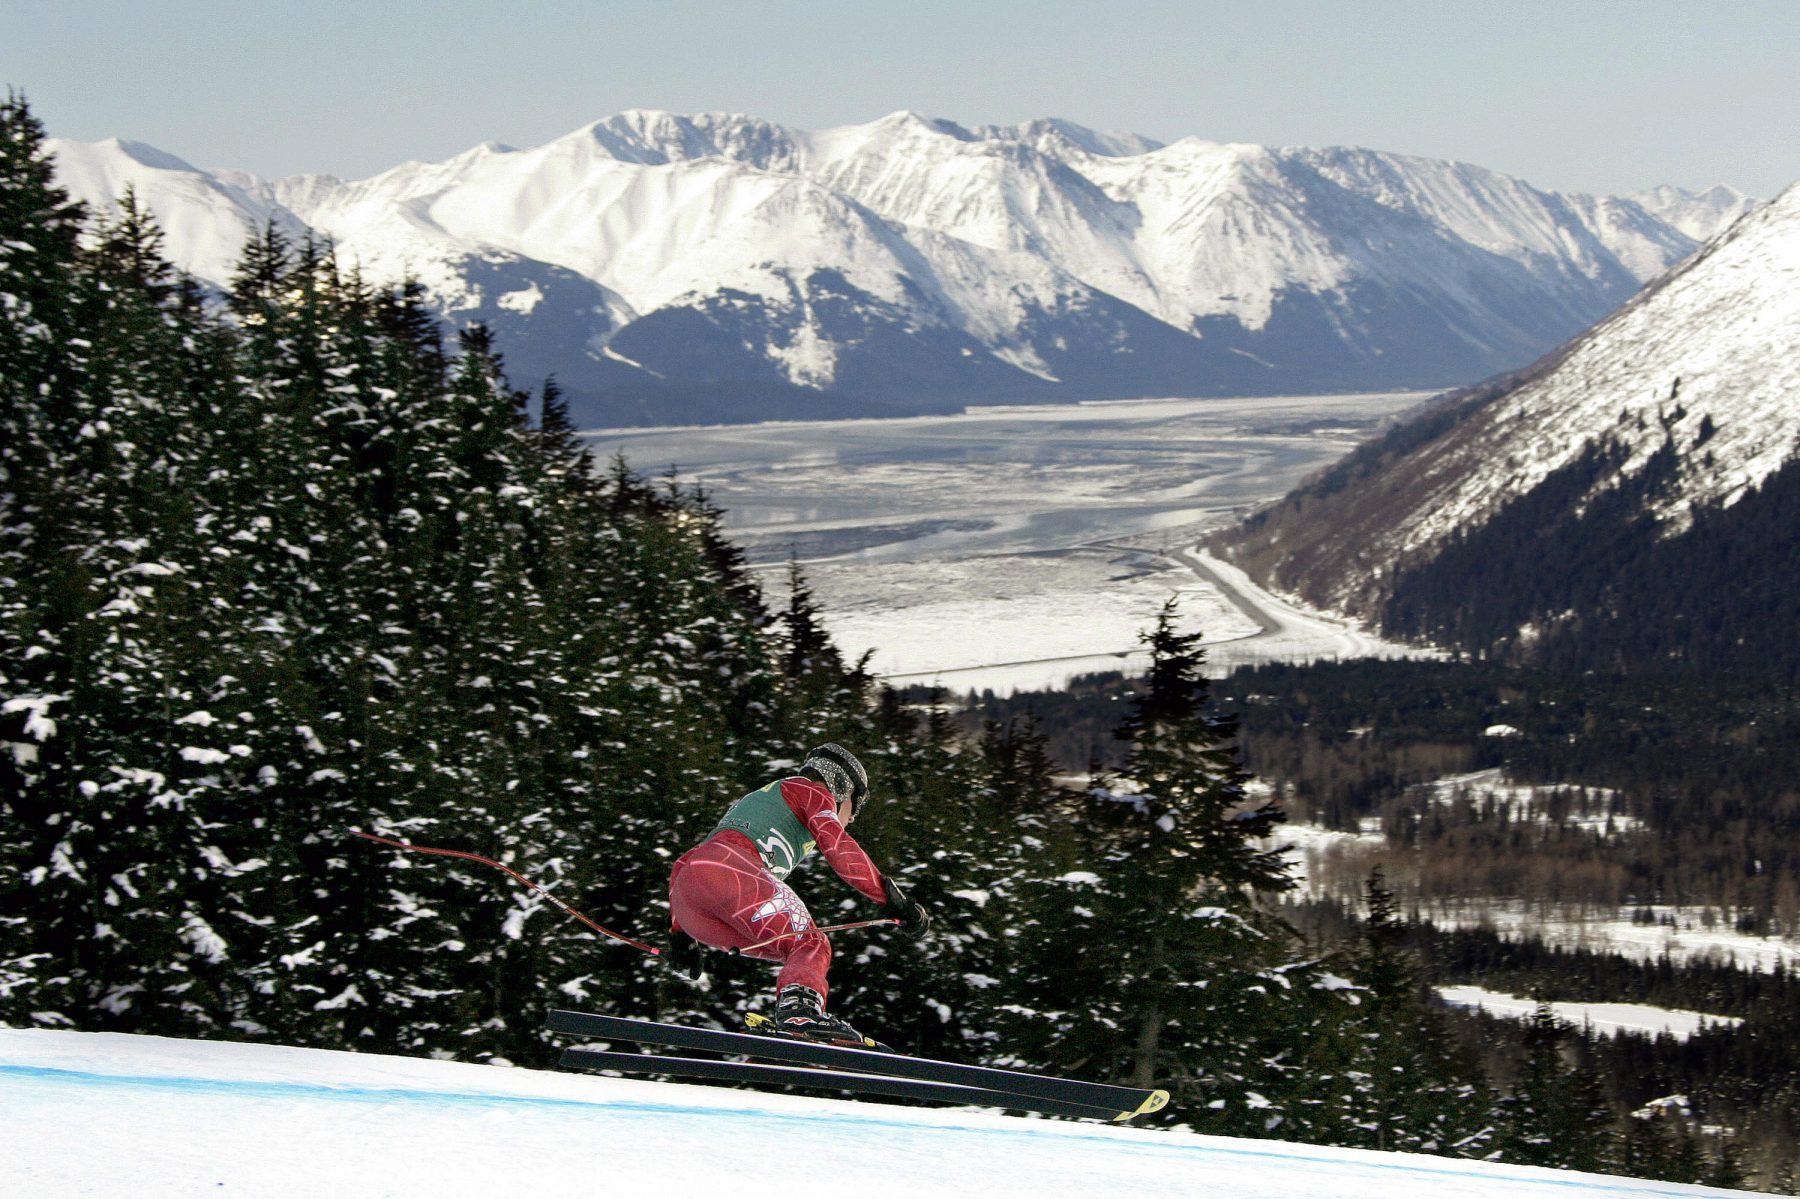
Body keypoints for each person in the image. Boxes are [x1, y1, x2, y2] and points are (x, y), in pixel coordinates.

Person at [666, 742, 930, 1046]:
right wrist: (891, 898)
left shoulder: (763, 797)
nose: (853, 818)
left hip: (690, 897)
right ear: (841, 786)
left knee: (791, 949)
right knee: (811, 943)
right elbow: (838, 847)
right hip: (732, 873)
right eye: (854, 806)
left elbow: (694, 862)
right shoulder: (813, 792)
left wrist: (680, 935)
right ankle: (800, 1017)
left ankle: (794, 1016)